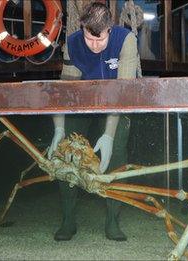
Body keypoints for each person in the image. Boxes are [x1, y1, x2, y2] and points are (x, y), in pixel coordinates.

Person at [47, 2, 139, 242]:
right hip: (83, 104)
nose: (95, 45)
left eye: (101, 40)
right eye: (90, 38)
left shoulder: (126, 40)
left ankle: (113, 220)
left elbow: (122, 93)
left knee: (117, 150)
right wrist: (59, 129)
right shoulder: (73, 44)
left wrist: (108, 135)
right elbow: (65, 93)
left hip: (118, 104)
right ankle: (68, 219)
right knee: (65, 150)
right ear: (83, 28)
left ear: (110, 28)